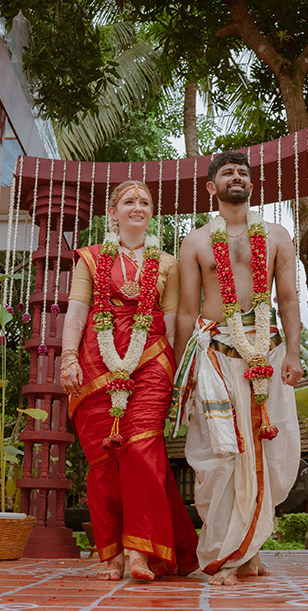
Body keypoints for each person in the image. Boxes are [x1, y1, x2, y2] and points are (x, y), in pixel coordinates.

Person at [172, 151, 302, 586]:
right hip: (214, 358)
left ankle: (249, 552)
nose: (237, 178)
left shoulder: (279, 236)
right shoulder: (195, 242)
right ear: (212, 187)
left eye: (243, 173)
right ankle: (223, 554)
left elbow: (287, 300)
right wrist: (178, 372)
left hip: (266, 355)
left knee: (265, 453)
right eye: (227, 172)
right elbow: (187, 312)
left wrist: (295, 355)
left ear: (251, 186)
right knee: (219, 458)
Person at [61, 180, 199, 582]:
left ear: (151, 213)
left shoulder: (168, 264)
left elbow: (172, 323)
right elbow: (76, 313)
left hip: (152, 361)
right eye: (129, 201)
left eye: (145, 202)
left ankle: (142, 550)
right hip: (95, 363)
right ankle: (112, 552)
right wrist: (69, 358)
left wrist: (176, 371)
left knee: (142, 449)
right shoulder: (89, 258)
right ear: (113, 212)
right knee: (103, 458)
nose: (137, 206)